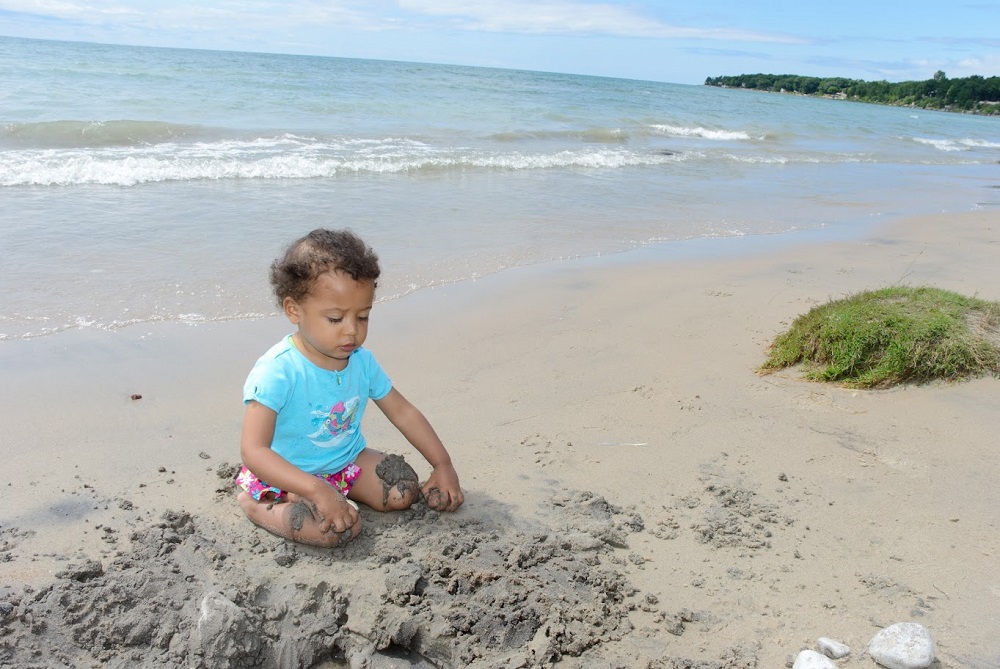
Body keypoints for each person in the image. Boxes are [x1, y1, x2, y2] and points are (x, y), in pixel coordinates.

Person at [236, 228, 463, 547]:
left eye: (363, 317)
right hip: (287, 473)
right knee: (335, 532)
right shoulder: (278, 370)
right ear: (293, 310)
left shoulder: (362, 362)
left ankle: (333, 492)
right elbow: (254, 450)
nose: (352, 332)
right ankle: (255, 505)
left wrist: (442, 464)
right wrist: (314, 489)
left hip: (346, 462)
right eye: (335, 319)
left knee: (403, 491)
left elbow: (403, 412)